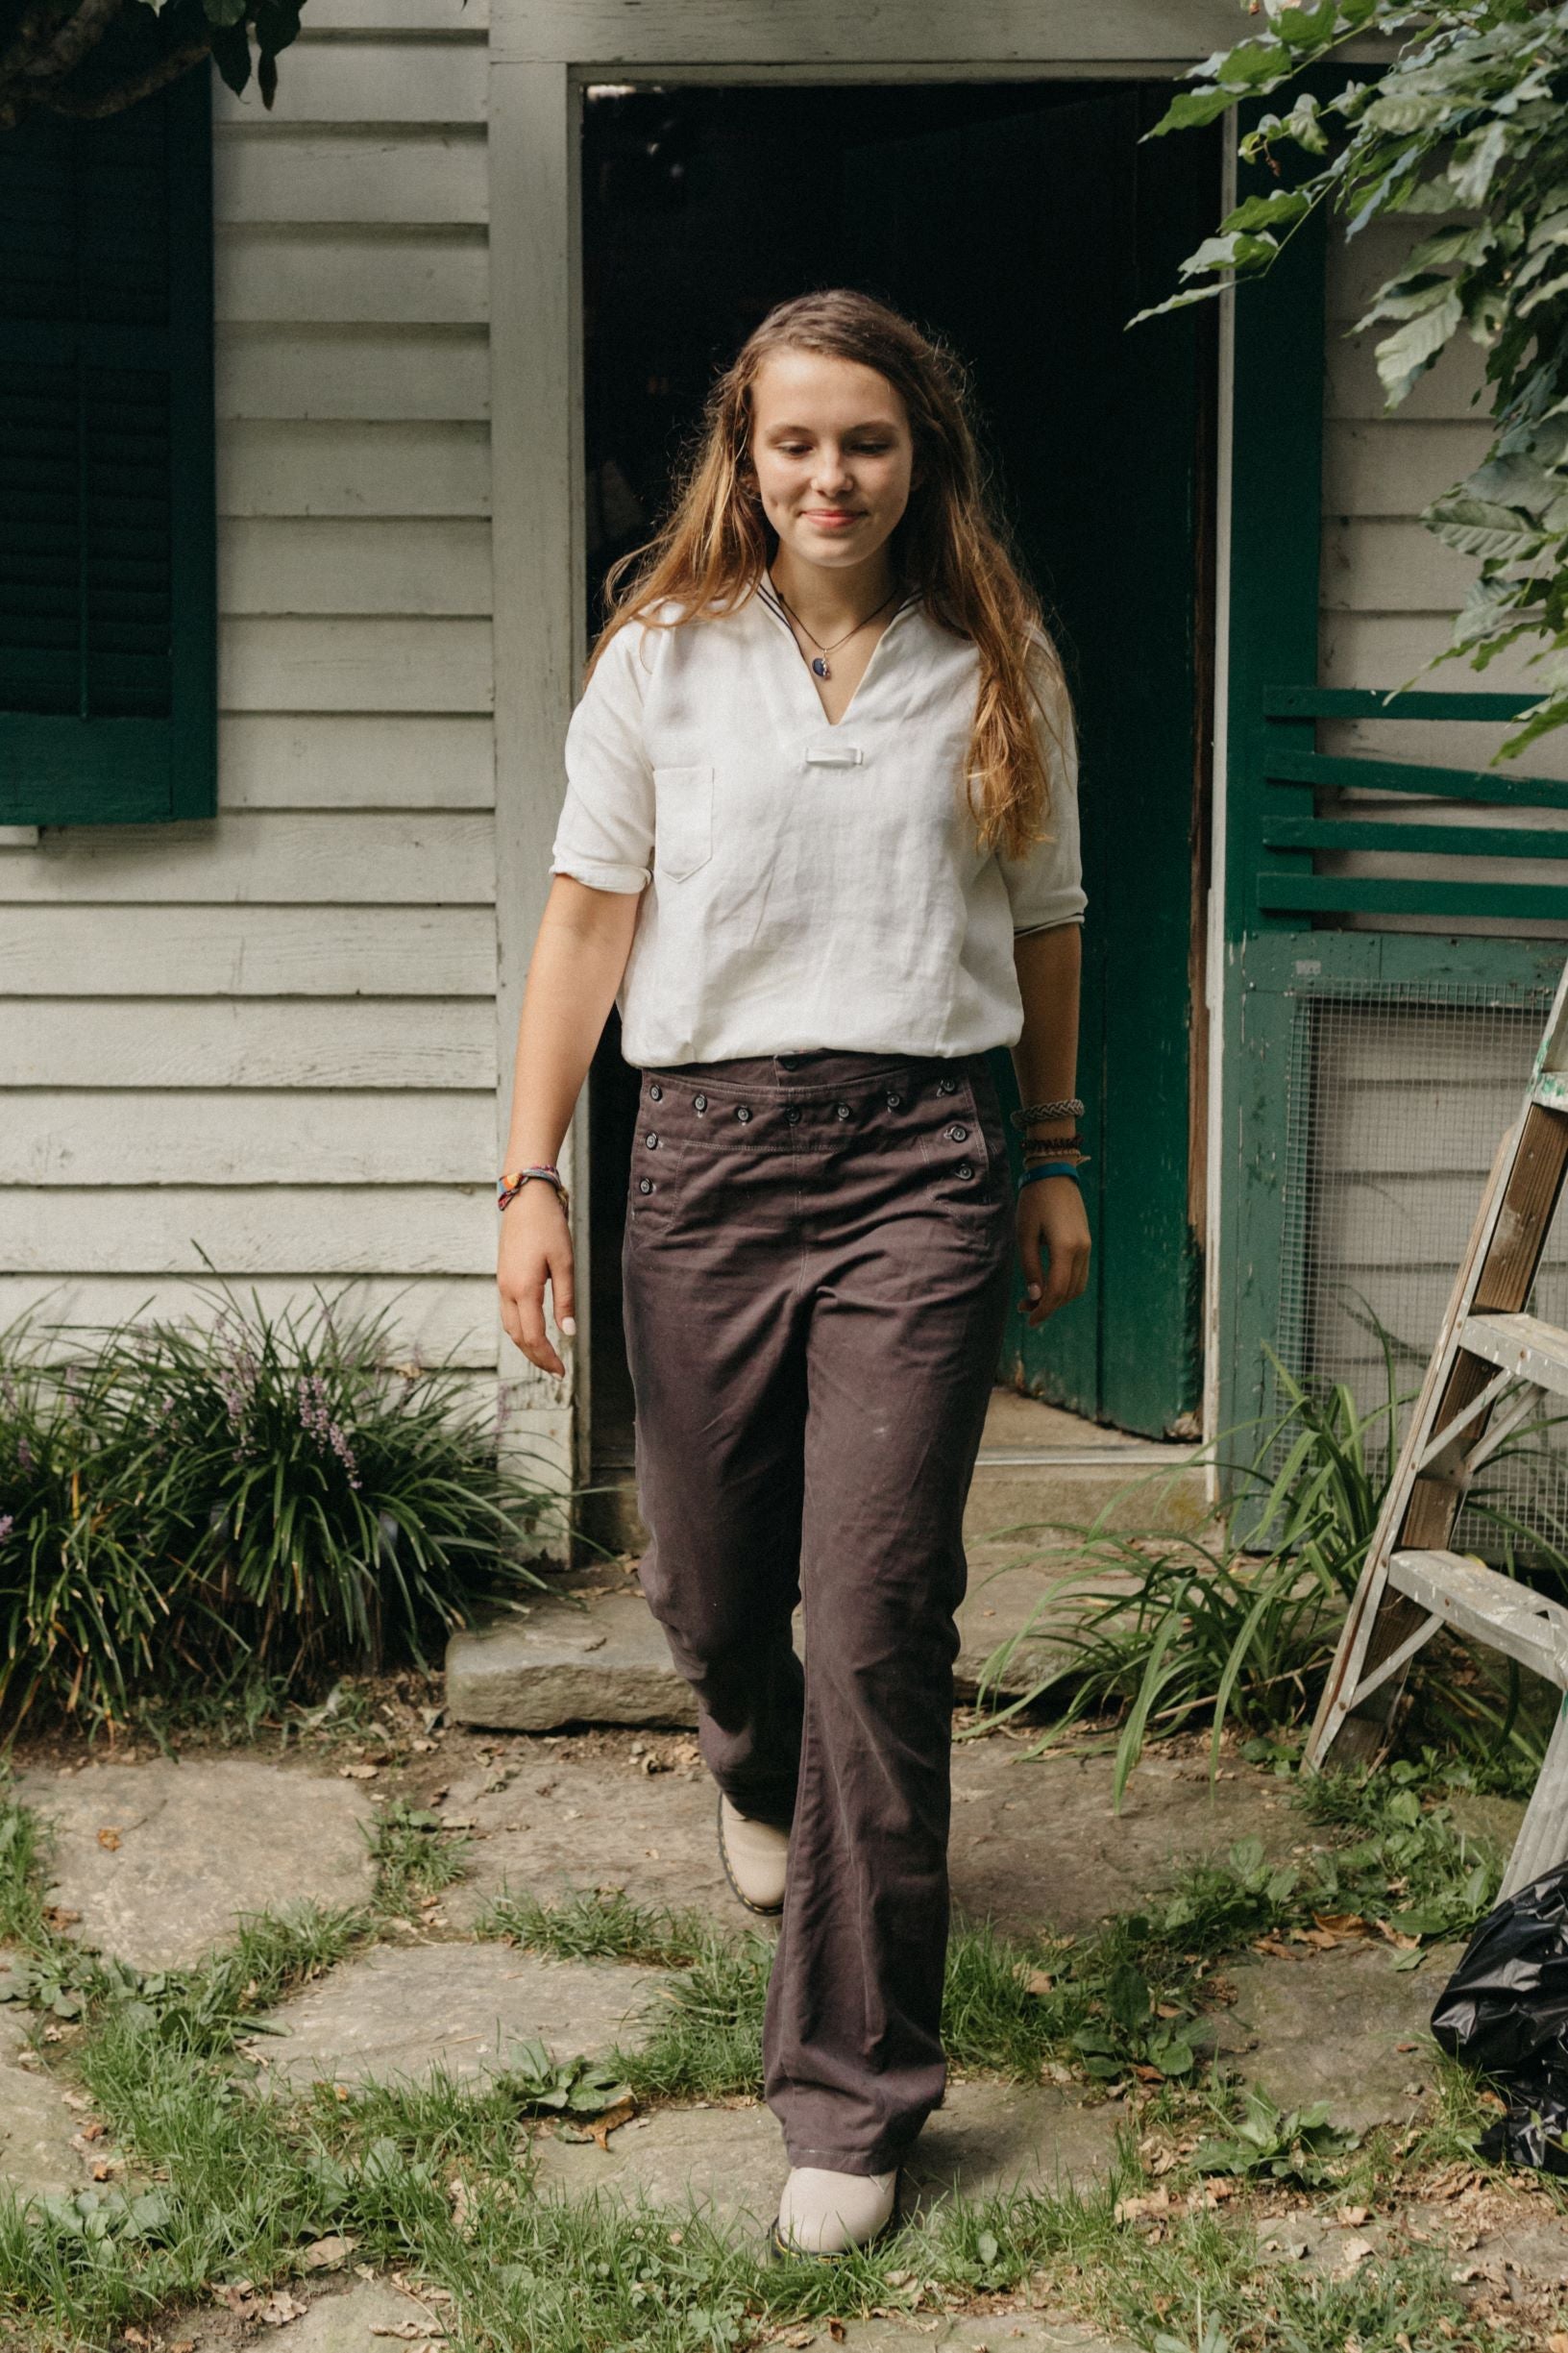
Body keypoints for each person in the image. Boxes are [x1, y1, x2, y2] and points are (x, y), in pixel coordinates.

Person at [496, 287, 1090, 2261]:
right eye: (795, 443)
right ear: (742, 460)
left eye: (869, 443)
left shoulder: (994, 657)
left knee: (882, 1614)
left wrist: (1059, 1153)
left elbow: (1054, 919)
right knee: (706, 1574)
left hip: (925, 1150)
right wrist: (529, 1173)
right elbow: (588, 928)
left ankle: (853, 2088)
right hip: (709, 1159)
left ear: (925, 461)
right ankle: (747, 1762)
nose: (830, 476)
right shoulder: (662, 663)